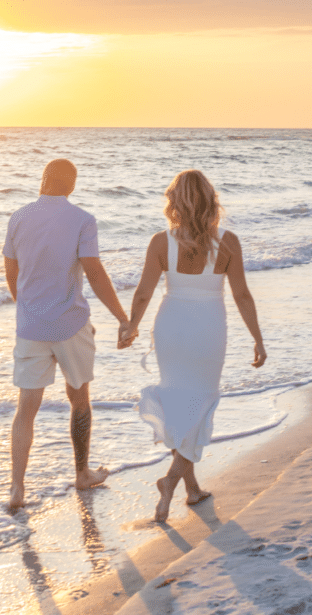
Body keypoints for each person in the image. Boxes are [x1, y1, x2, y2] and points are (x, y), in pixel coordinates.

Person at [118, 169, 266, 522]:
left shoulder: (160, 242)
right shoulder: (228, 241)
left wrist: (131, 327)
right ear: (210, 200)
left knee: (179, 400)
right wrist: (257, 338)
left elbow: (144, 292)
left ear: (175, 202)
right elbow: (241, 294)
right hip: (208, 327)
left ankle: (191, 488)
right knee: (200, 403)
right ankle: (171, 482)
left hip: (170, 325)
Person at [3, 158, 133, 509]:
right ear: (72, 185)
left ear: (42, 179)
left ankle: (17, 488)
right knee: (79, 399)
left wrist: (28, 310)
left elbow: (11, 273)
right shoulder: (81, 220)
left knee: (25, 409)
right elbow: (93, 271)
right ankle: (82, 473)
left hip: (30, 327)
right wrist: (122, 317)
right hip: (71, 324)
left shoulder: (18, 217)